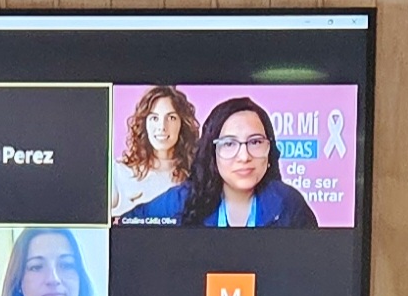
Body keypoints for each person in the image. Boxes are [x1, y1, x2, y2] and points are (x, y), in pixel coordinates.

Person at [126, 97, 319, 227]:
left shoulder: (289, 204)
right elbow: (124, 227)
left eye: (256, 142)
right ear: (212, 152)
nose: (244, 156)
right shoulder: (181, 201)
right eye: (229, 144)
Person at [112, 83, 197, 217]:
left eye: (171, 118)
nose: (162, 127)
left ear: (182, 124)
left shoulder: (196, 176)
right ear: (144, 124)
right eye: (154, 118)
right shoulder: (119, 172)